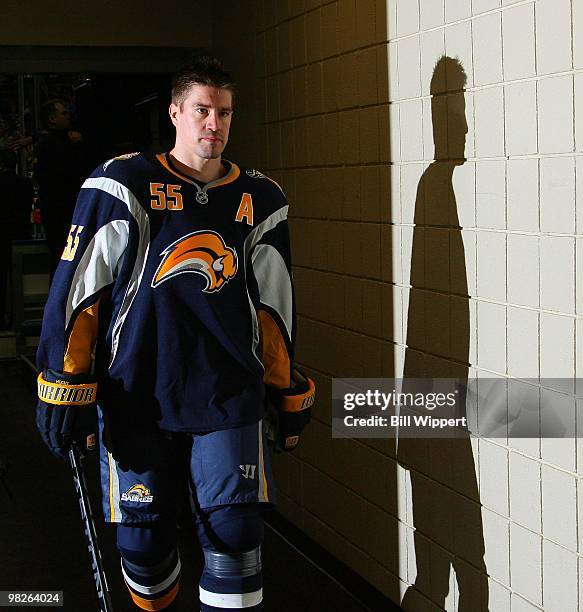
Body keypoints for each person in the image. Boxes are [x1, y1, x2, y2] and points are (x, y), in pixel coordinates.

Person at [35, 56, 314, 611]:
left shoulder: (259, 198)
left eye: (225, 113)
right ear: (175, 113)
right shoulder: (122, 184)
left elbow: (273, 305)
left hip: (227, 388)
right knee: (143, 541)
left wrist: (286, 386)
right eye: (202, 110)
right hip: (138, 388)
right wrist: (65, 379)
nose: (214, 124)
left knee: (236, 529)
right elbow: (81, 290)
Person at [35, 98, 91, 277]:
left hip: (59, 211)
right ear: (52, 119)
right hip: (62, 211)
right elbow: (71, 172)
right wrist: (78, 147)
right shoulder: (55, 145)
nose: (69, 117)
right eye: (63, 113)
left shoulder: (51, 143)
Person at [0, 147, 33, 327]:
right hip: (21, 232)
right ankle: (19, 318)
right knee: (21, 279)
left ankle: (3, 318)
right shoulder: (25, 183)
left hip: (1, 234)